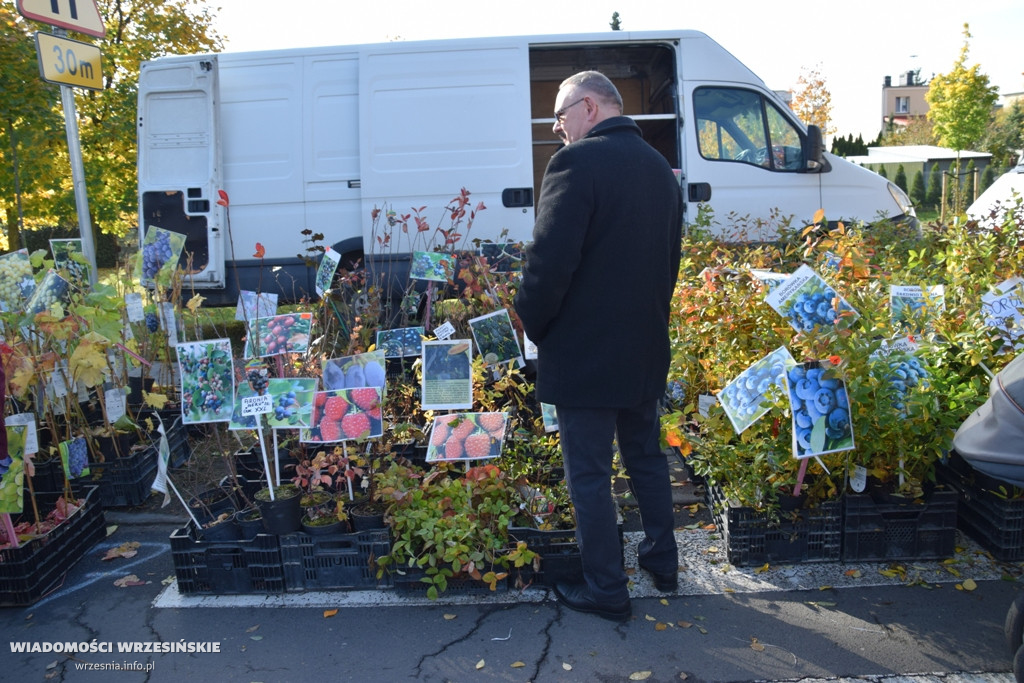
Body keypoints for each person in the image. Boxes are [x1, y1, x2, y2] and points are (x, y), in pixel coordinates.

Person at [514, 71, 683, 621]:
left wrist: (535, 326)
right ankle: (664, 562)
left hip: (586, 353)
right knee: (646, 459)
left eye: (560, 118)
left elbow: (547, 266)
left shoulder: (575, 163)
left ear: (588, 107)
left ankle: (608, 590)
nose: (559, 130)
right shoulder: (659, 168)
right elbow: (669, 262)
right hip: (642, 346)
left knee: (588, 474)